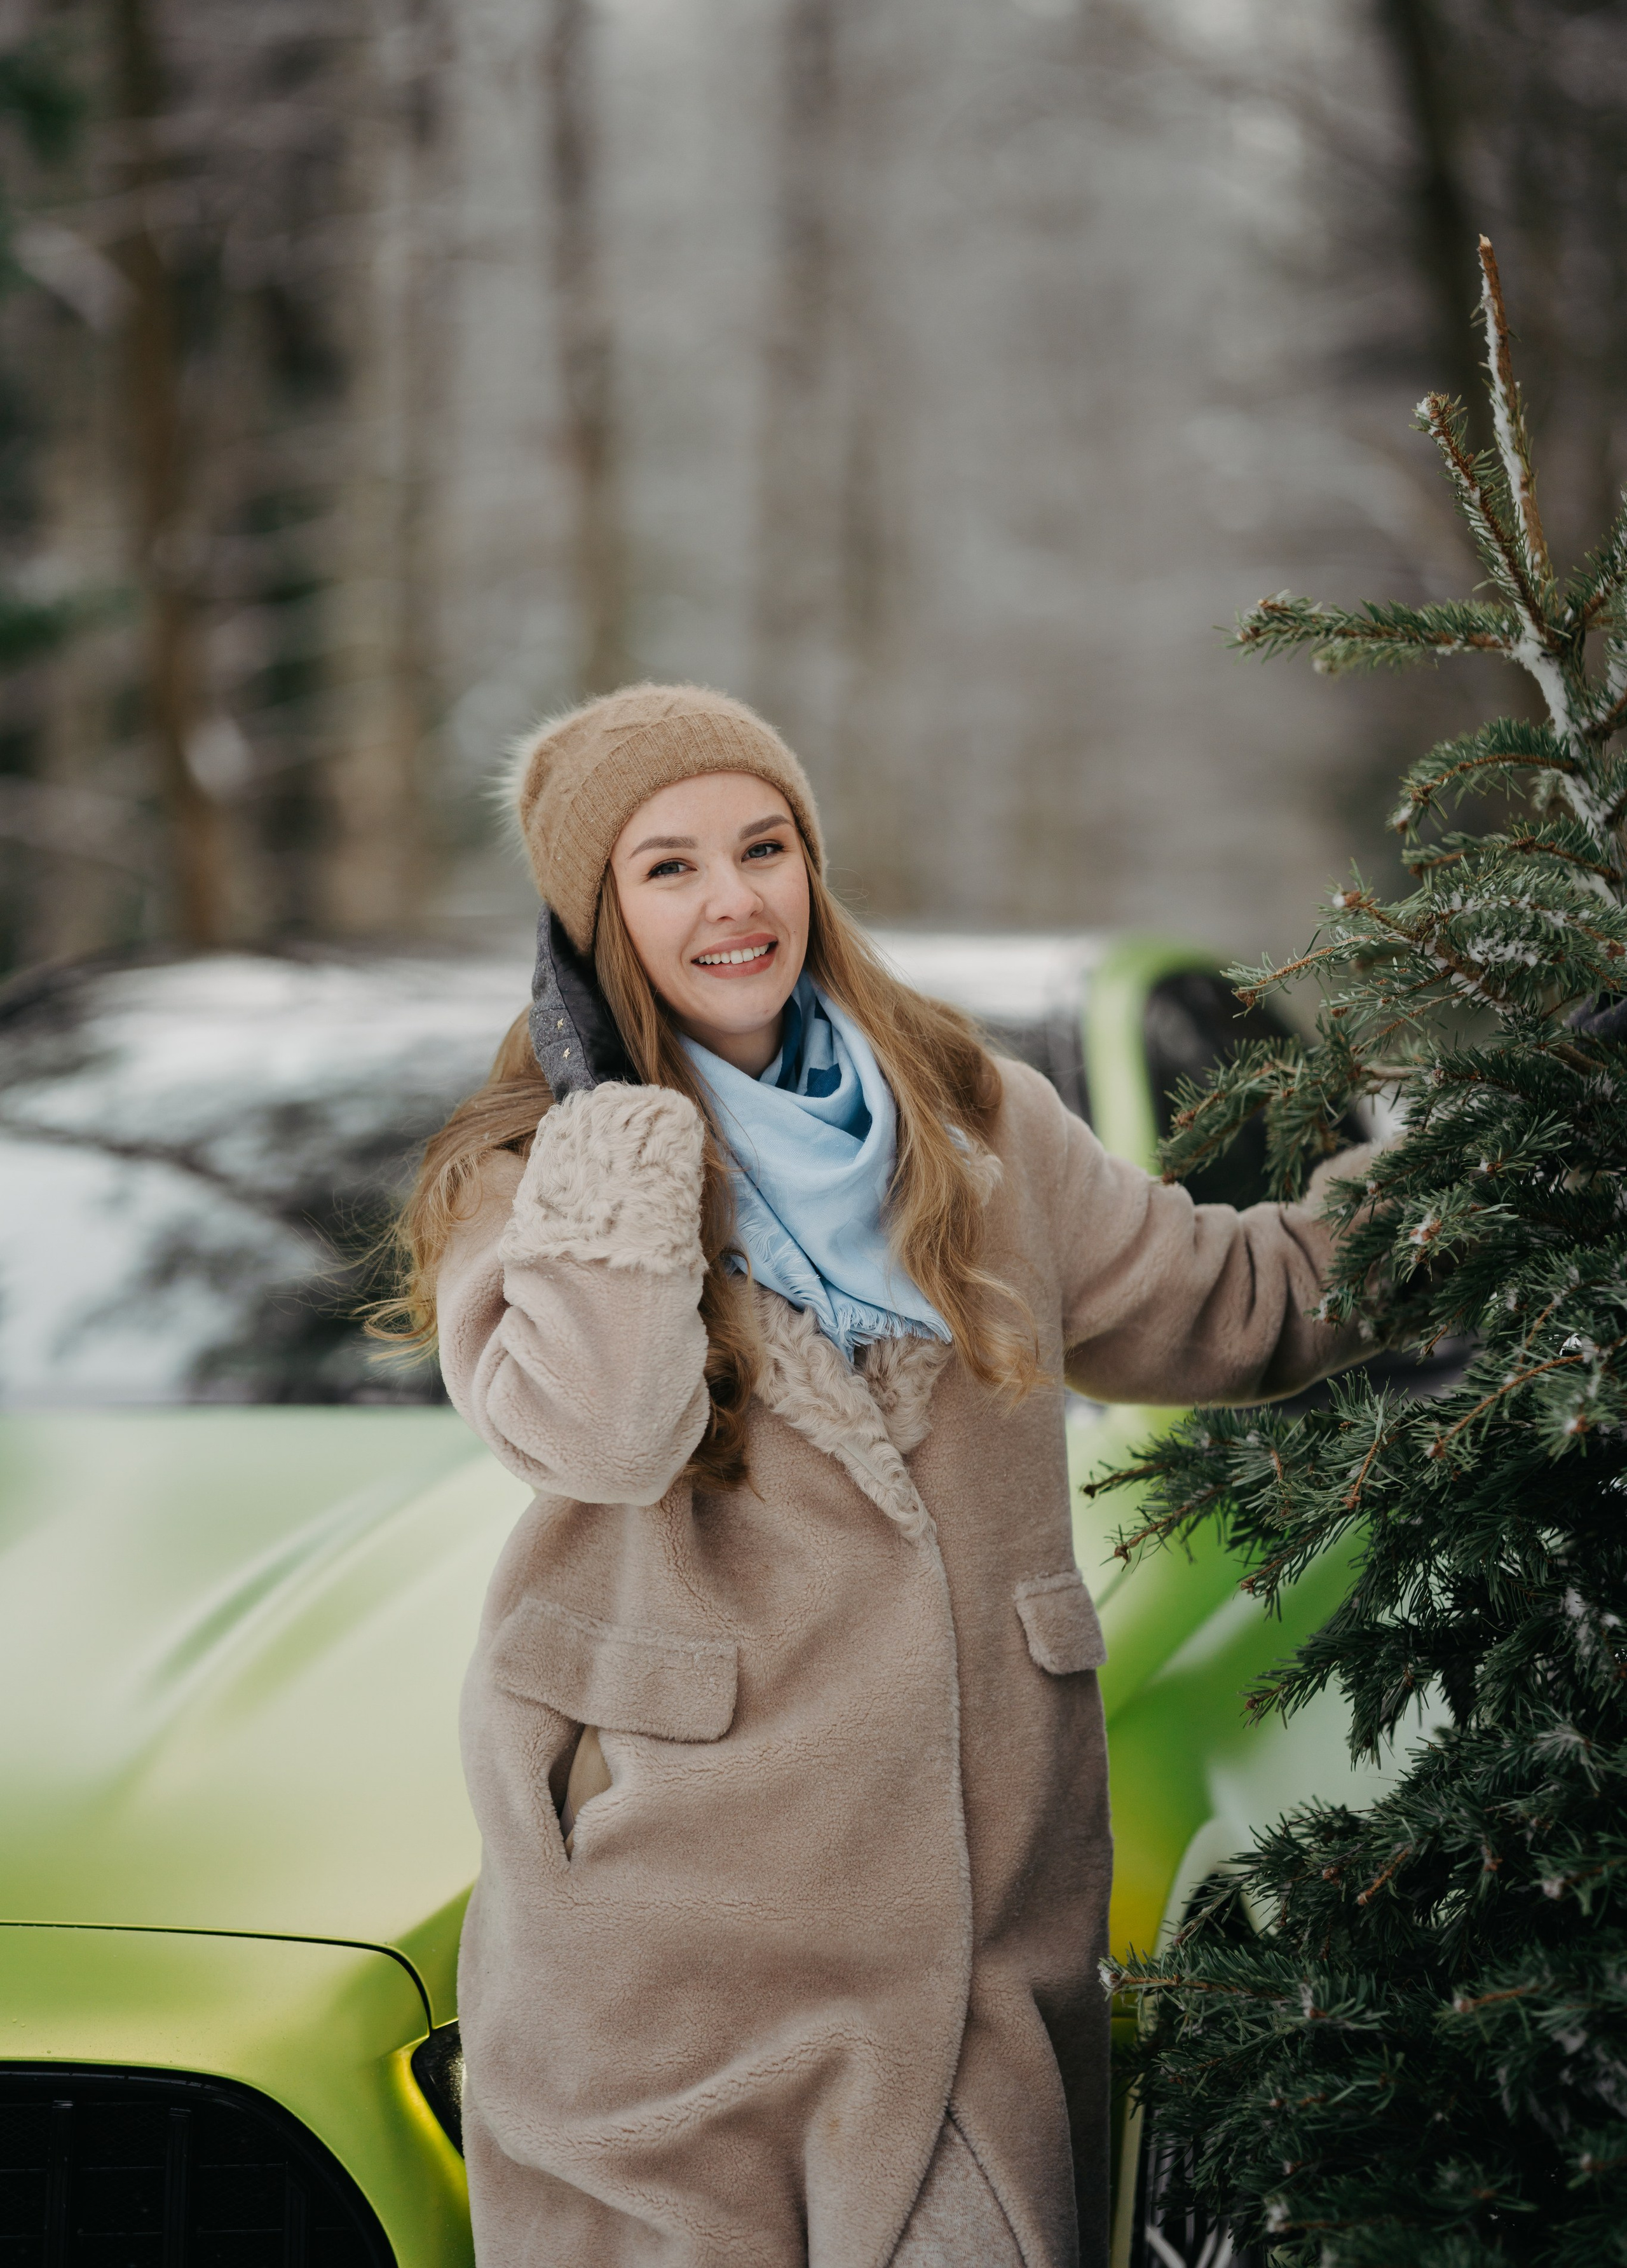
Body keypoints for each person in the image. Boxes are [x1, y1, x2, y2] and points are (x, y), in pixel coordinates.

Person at [385, 682, 1372, 2268]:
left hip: (976, 1943)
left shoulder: (977, 1122)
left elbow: (1237, 1306)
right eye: (667, 868)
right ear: (590, 923)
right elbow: (602, 1432)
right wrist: (621, 1134)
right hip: (670, 1974)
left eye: (763, 848)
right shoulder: (534, 1177)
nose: (733, 901)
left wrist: (1487, 1155)